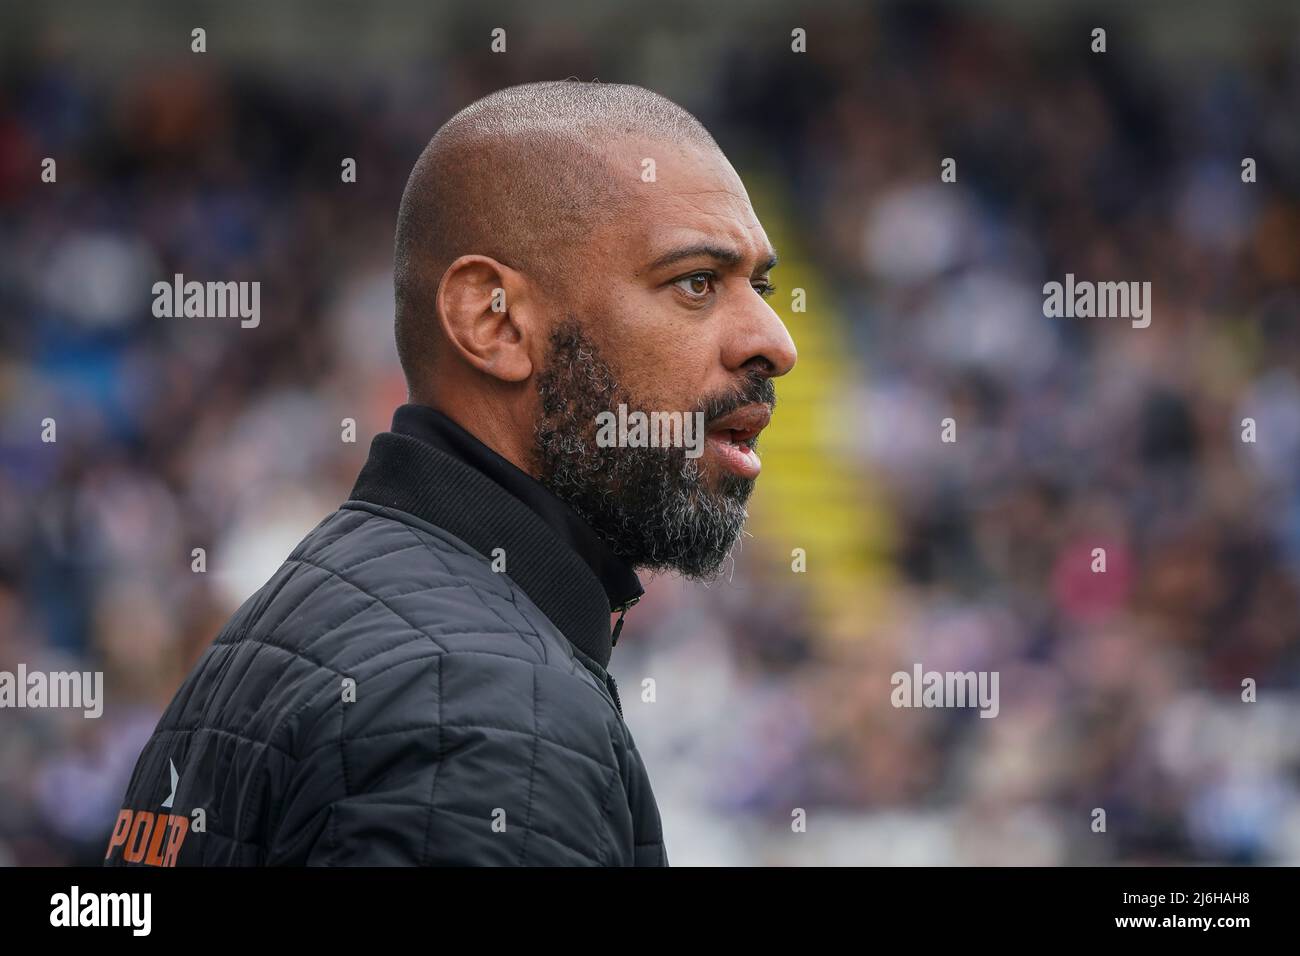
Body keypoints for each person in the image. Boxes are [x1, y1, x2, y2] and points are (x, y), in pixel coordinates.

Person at [104, 79, 797, 866]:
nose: (774, 340)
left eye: (761, 285)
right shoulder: (485, 708)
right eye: (696, 282)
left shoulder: (310, 618)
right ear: (493, 320)